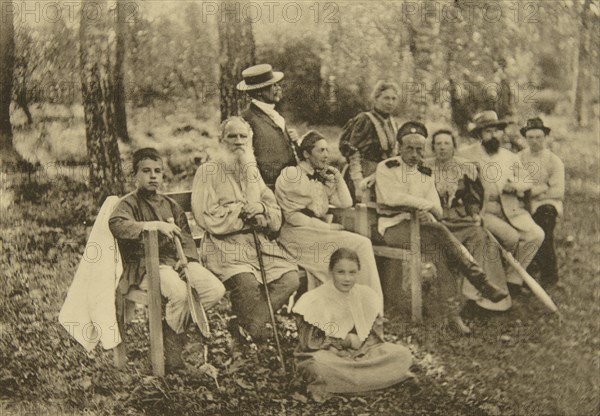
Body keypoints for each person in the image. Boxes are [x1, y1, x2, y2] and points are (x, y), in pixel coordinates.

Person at [375, 121, 508, 325]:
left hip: (422, 230)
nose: (414, 154)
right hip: (393, 228)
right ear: (399, 147)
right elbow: (392, 198)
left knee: (440, 250)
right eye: (409, 148)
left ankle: (453, 314)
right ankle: (479, 280)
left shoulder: (424, 173)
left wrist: (427, 208)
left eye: (419, 149)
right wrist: (422, 207)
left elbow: (437, 208)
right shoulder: (387, 167)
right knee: (439, 231)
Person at [109, 147, 225, 371]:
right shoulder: (127, 204)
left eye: (158, 171)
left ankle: (170, 331)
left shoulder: (170, 205)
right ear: (134, 175)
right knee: (181, 295)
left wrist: (188, 259)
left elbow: (186, 237)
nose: (153, 176)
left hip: (175, 262)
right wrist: (152, 226)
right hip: (145, 267)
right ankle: (173, 353)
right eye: (146, 171)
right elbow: (117, 225)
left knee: (214, 290)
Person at [191, 116, 299, 342]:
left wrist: (261, 211)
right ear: (221, 141)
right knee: (247, 283)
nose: (238, 141)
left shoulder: (252, 171)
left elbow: (274, 211)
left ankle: (247, 326)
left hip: (257, 244)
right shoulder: (208, 171)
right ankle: (253, 329)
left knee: (291, 278)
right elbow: (205, 216)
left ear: (250, 140)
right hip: (224, 247)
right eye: (232, 136)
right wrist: (242, 214)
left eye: (243, 136)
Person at [275, 131, 383, 306]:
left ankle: (364, 305)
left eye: (327, 150)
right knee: (361, 244)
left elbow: (346, 202)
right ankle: (370, 306)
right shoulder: (292, 175)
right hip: (297, 236)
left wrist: (337, 176)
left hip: (315, 234)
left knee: (360, 245)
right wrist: (327, 228)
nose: (326, 155)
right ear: (306, 154)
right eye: (321, 151)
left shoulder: (320, 178)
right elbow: (292, 216)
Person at [293, 248, 414, 402]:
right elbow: (309, 343)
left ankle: (350, 385)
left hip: (361, 354)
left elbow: (370, 339)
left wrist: (359, 347)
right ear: (331, 272)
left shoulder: (363, 295)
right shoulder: (314, 299)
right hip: (329, 356)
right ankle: (374, 382)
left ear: (358, 272)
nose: (347, 278)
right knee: (317, 366)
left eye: (352, 272)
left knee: (401, 354)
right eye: (341, 272)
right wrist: (346, 341)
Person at [426, 130, 512, 323]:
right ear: (433, 147)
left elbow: (472, 197)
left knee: (483, 239)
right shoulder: (424, 168)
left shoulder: (464, 167)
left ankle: (489, 301)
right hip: (436, 221)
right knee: (446, 248)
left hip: (459, 219)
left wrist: (474, 214)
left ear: (454, 147)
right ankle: (460, 304)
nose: (442, 147)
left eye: (446, 143)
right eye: (438, 143)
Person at [458, 111, 545, 292]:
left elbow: (527, 180)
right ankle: (494, 280)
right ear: (479, 134)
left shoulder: (509, 156)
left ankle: (512, 280)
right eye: (488, 131)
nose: (494, 135)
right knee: (511, 238)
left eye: (497, 131)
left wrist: (514, 186)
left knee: (536, 234)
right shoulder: (466, 155)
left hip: (510, 208)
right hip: (484, 211)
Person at [519, 118, 565, 288]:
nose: (535, 141)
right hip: (523, 204)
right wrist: (540, 188)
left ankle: (550, 277)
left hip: (547, 204)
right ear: (526, 138)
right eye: (530, 137)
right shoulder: (519, 158)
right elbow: (514, 183)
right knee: (521, 234)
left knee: (543, 230)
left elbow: (557, 192)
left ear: (545, 137)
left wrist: (530, 192)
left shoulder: (553, 161)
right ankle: (526, 273)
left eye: (539, 137)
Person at [237, 63, 300, 188]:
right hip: (266, 189)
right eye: (273, 85)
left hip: (290, 186)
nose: (278, 88)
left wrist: (296, 141)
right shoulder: (246, 119)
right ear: (259, 91)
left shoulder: (277, 116)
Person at [338, 80, 400, 202]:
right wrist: (358, 183)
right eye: (386, 98)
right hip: (363, 173)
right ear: (376, 98)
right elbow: (353, 153)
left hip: (383, 175)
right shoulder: (364, 120)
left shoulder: (393, 123)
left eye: (394, 99)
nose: (390, 102)